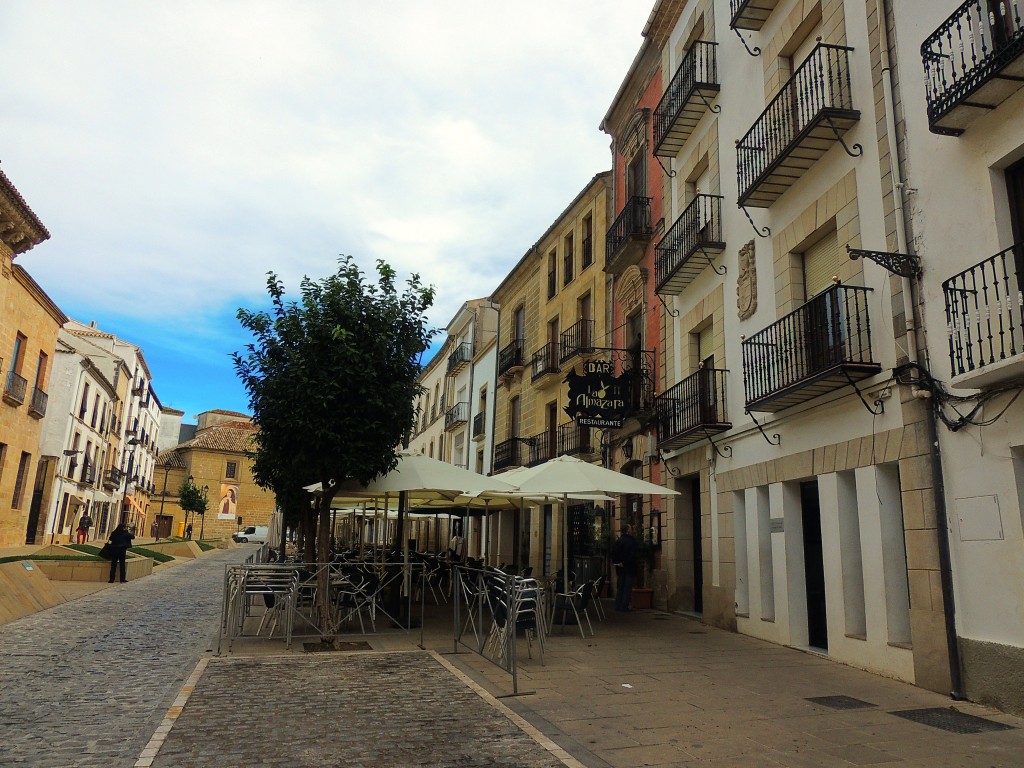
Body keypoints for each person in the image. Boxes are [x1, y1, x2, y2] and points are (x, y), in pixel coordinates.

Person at [611, 524, 638, 612]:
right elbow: (632, 555)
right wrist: (624, 562)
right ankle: (624, 605)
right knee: (627, 587)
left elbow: (614, 553)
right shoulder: (632, 542)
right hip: (629, 567)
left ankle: (618, 605)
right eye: (631, 528)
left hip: (620, 567)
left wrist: (617, 562)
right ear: (628, 530)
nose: (632, 530)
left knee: (620, 586)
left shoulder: (618, 541)